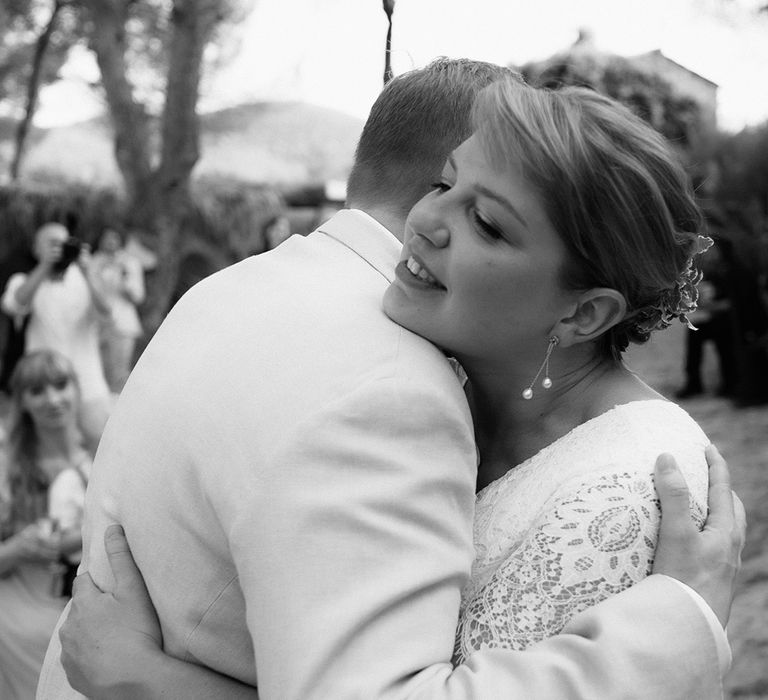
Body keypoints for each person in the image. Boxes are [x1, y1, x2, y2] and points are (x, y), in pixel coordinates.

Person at [40, 61, 743, 700]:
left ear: (584, 311)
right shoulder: (421, 385)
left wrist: (141, 680)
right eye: (443, 183)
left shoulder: (628, 489)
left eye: (488, 224)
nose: (428, 220)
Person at [0, 350, 91, 699]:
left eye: (61, 385)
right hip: (24, 597)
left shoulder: (100, 453)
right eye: (37, 391)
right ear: (21, 401)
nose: (53, 399)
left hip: (83, 593)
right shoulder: (9, 468)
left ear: (77, 389)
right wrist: (20, 547)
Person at [1, 223, 113, 452]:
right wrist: (44, 267)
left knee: (101, 448)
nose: (59, 248)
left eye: (64, 242)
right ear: (36, 249)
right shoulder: (25, 279)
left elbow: (106, 313)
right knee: (41, 451)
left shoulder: (85, 279)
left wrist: (89, 272)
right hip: (44, 387)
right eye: (52, 243)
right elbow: (15, 304)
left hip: (89, 384)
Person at [91, 227, 146, 393]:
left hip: (122, 325)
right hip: (96, 325)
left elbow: (137, 296)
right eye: (106, 238)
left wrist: (124, 277)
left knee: (120, 374)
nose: (110, 242)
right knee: (98, 373)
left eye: (114, 238)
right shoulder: (92, 262)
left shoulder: (130, 263)